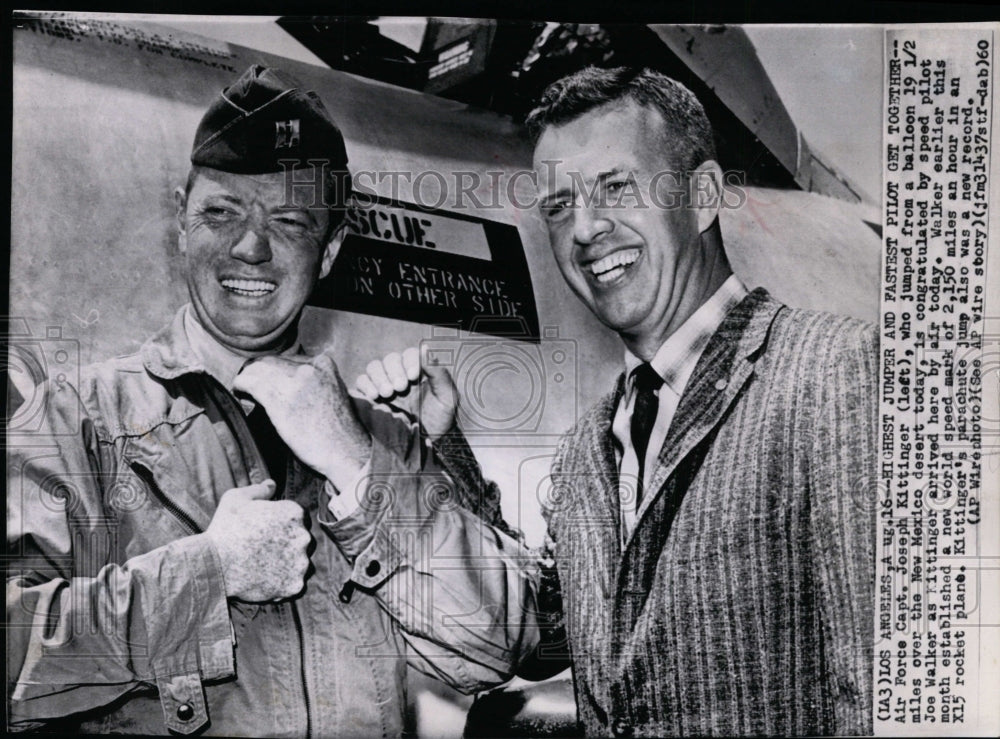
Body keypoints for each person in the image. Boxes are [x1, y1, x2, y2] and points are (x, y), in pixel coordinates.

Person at [6, 65, 539, 736]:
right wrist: (205, 574)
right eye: (221, 212)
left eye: (288, 221)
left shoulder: (380, 439)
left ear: (330, 249)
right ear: (180, 220)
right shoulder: (77, 421)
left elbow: (495, 644)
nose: (251, 247)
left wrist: (355, 462)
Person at [369, 66, 877, 736]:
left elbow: (881, 692)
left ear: (702, 197)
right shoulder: (591, 443)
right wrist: (445, 449)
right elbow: (548, 636)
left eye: (615, 187)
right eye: (558, 207)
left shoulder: (834, 373)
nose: (584, 230)